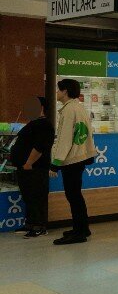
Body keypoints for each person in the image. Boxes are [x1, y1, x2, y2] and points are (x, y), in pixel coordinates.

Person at [49, 79, 97, 245]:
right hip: (80, 157)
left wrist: (55, 163)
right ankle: (82, 228)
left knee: (73, 196)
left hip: (72, 159)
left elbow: (65, 139)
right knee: (76, 195)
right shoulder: (78, 107)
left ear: (65, 91)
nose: (57, 93)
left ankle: (79, 233)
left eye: (58, 90)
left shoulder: (69, 110)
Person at [10, 97, 54, 238]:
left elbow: (40, 147)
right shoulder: (33, 123)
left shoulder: (45, 125)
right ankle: (30, 223)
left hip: (35, 168)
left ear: (41, 108)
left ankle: (39, 226)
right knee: (28, 197)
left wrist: (29, 163)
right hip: (25, 168)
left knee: (37, 197)